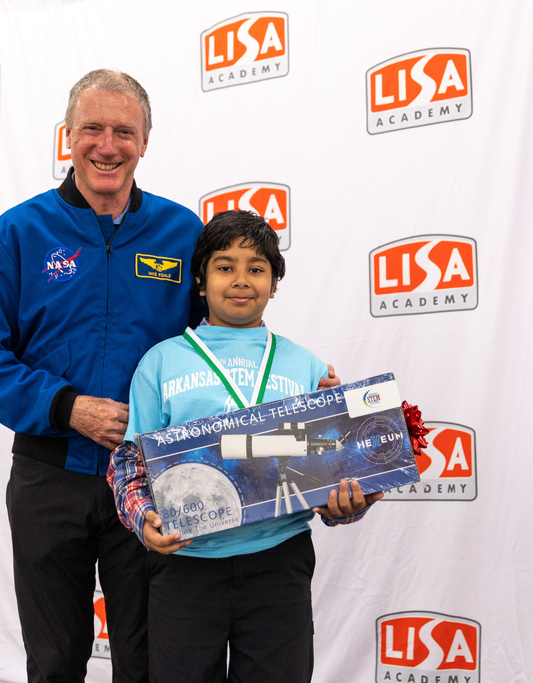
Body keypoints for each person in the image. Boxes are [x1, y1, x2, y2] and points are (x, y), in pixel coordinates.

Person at [0, 69, 207, 683]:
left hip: (146, 479)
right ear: (67, 136)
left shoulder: (182, 235)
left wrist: (294, 386)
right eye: (92, 128)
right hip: (48, 482)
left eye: (124, 131)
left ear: (146, 142)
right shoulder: (18, 232)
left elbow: (219, 349)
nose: (107, 145)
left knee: (145, 662)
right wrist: (66, 407)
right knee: (56, 660)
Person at [108, 210, 383, 683]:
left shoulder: (306, 365)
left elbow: (329, 471)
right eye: (224, 266)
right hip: (186, 563)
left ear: (274, 284)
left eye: (256, 268)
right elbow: (130, 463)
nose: (241, 280)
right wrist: (141, 520)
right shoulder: (161, 362)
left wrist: (349, 504)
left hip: (278, 561)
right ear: (200, 280)